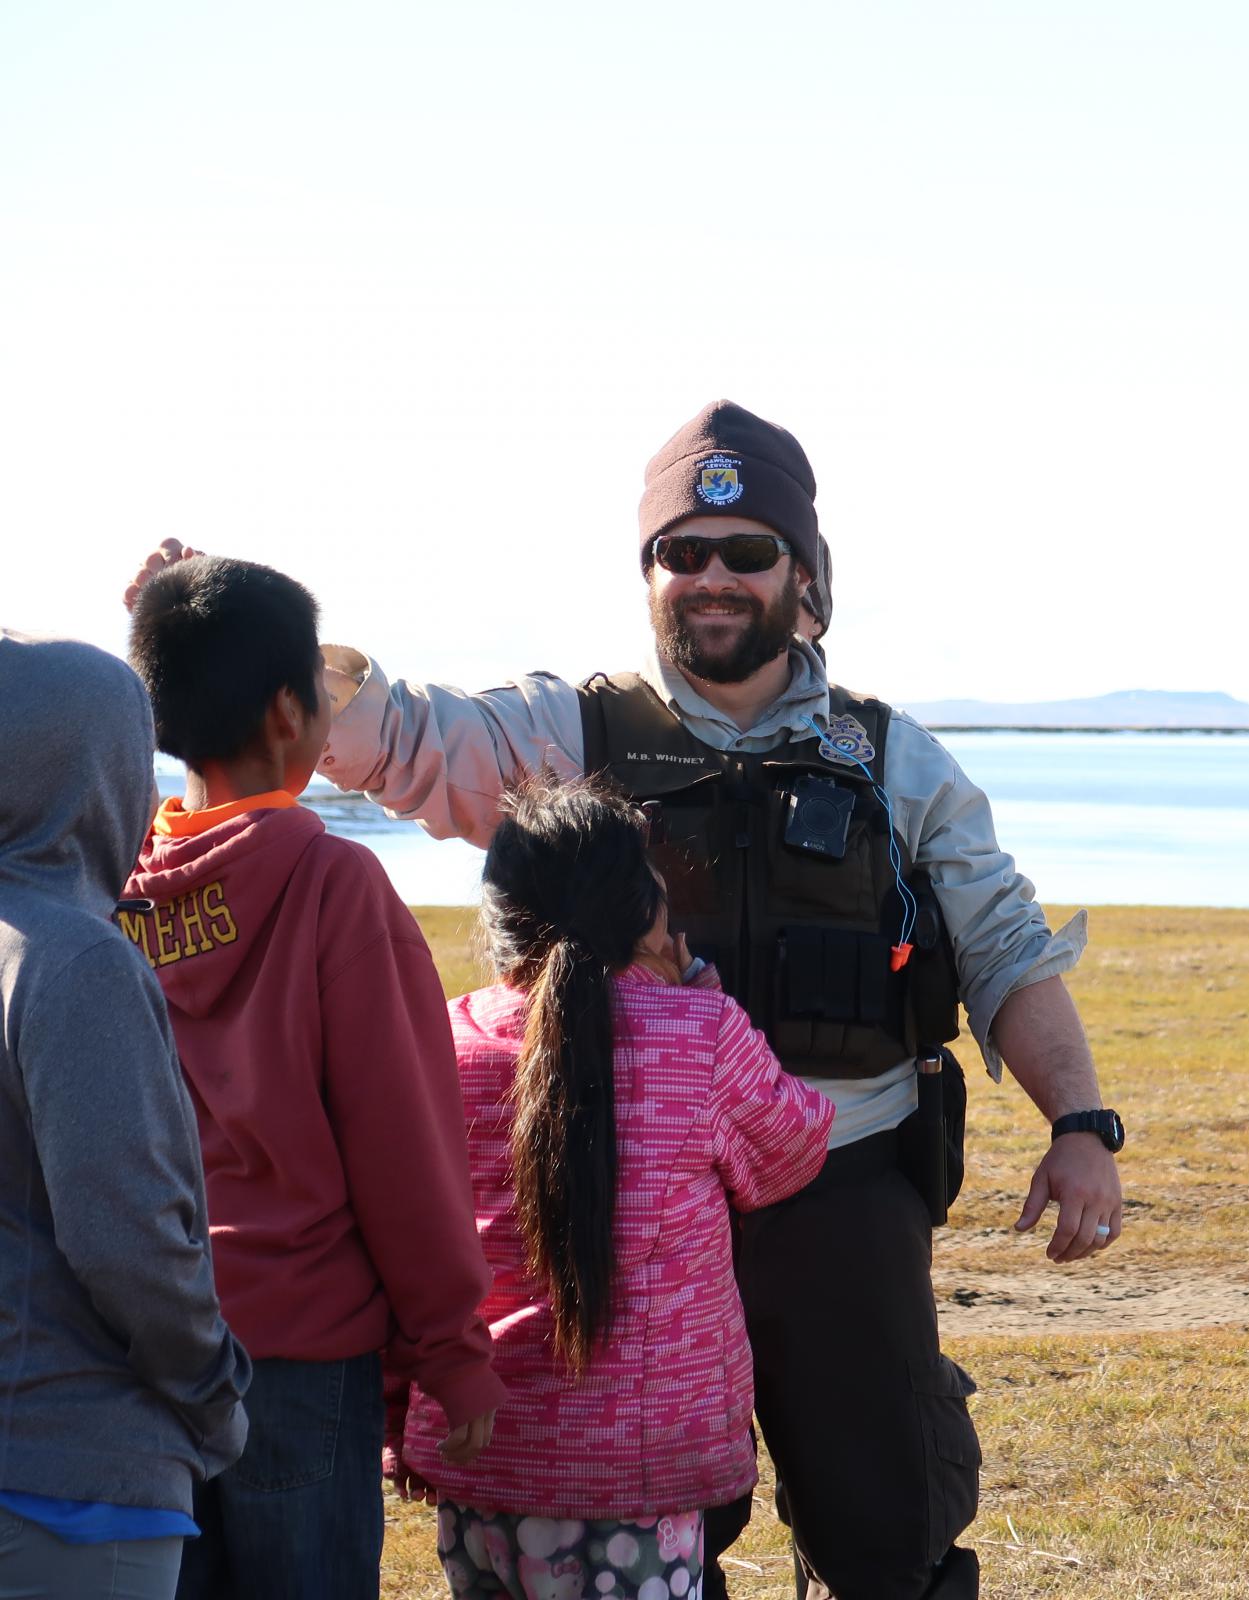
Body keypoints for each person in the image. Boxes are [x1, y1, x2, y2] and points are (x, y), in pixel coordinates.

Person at [125, 400, 1127, 1600]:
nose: (710, 576)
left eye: (745, 550)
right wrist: (223, 634)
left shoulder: (894, 762)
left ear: (802, 573)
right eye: (680, 552)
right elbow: (402, 737)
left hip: (839, 1192)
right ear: (649, 571)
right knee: (621, 1527)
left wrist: (1079, 1124)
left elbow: (1006, 945)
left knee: (886, 1532)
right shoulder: (569, 732)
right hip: (607, 1200)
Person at [122, 558, 505, 1600]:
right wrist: (450, 1345)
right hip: (295, 1363)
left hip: (143, 1348)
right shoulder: (335, 885)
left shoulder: (116, 888)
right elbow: (403, 1143)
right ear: (292, 713)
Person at [391, 776, 834, 1599]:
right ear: (645, 910)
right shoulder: (700, 1035)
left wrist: (398, 1423)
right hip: (643, 1473)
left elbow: (399, 1242)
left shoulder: (444, 1040)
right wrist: (698, 985)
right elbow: (793, 1152)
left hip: (478, 1449)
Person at [0, 632, 252, 1600]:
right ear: (88, 771)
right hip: (75, 1486)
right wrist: (215, 1391)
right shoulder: (76, 959)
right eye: (136, 761)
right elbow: (128, 1235)